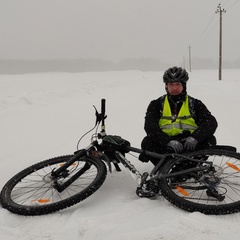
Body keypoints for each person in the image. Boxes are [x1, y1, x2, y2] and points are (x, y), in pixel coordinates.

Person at [139, 66, 218, 166]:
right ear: (166, 86)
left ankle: (189, 167)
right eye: (171, 84)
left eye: (178, 84)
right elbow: (150, 127)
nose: (174, 88)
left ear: (184, 86)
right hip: (167, 145)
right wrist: (167, 141)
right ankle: (167, 168)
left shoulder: (194, 104)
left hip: (189, 145)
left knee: (210, 139)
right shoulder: (156, 104)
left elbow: (210, 122)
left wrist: (195, 137)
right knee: (147, 142)